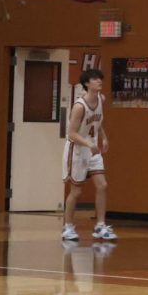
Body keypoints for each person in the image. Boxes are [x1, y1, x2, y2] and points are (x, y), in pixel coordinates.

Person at [61, 68, 117, 242]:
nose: (99, 81)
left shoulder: (101, 99)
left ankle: (100, 225)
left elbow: (97, 122)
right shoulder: (79, 107)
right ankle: (67, 227)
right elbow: (71, 133)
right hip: (77, 149)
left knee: (102, 185)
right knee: (76, 192)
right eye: (95, 79)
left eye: (100, 78)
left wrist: (104, 138)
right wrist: (88, 143)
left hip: (92, 148)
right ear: (87, 83)